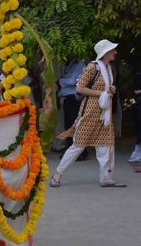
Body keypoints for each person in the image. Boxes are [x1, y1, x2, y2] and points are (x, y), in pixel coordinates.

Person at [51, 39, 126, 188]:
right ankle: (58, 174)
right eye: (112, 50)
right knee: (78, 145)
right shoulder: (93, 67)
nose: (115, 52)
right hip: (91, 110)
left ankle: (106, 177)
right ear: (105, 52)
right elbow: (80, 88)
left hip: (104, 112)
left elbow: (105, 89)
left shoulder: (108, 68)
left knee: (106, 145)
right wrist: (102, 93)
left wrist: (110, 91)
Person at [57, 57, 90, 161]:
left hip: (75, 98)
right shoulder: (68, 64)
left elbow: (74, 80)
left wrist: (59, 82)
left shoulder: (79, 64)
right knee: (68, 125)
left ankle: (81, 152)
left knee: (75, 125)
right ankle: (71, 150)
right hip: (68, 98)